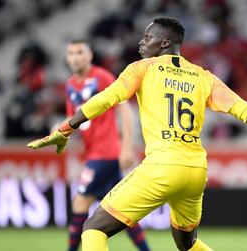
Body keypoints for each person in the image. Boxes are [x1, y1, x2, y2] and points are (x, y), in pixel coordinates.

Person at [28, 17, 247, 251]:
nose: (142, 42)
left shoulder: (142, 68)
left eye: (148, 37)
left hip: (161, 167)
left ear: (165, 42)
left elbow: (106, 98)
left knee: (93, 229)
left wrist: (66, 127)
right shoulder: (203, 76)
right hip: (195, 171)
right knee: (187, 244)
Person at [60, 40, 151, 251]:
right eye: (71, 53)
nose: (75, 57)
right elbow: (71, 118)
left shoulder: (101, 77)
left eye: (80, 52)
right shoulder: (70, 84)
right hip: (93, 152)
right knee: (121, 210)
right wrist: (59, 132)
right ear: (66, 58)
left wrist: (126, 146)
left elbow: (125, 109)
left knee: (80, 202)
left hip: (106, 153)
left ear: (90, 55)